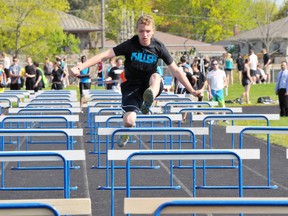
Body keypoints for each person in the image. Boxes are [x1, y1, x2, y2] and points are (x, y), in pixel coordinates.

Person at [71, 14, 198, 147]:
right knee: (129, 121)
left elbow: (177, 71)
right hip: (132, 87)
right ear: (137, 31)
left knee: (155, 77)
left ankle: (149, 100)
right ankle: (127, 131)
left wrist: (192, 91)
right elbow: (104, 55)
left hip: (150, 83)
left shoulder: (158, 47)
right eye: (141, 31)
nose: (144, 35)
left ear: (152, 31)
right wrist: (80, 67)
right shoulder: (130, 45)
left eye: (148, 31)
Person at [207, 59, 228, 124]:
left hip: (220, 90)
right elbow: (209, 84)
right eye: (213, 64)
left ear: (218, 65)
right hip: (213, 91)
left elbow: (225, 81)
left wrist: (223, 86)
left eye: (216, 64)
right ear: (211, 65)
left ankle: (224, 118)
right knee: (213, 105)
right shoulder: (210, 74)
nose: (215, 65)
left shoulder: (222, 72)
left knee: (222, 104)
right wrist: (209, 93)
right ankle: (214, 119)